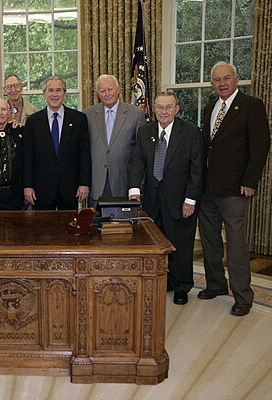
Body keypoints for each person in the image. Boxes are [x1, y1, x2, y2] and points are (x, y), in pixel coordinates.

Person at [198, 61, 270, 317]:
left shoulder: (252, 106)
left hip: (235, 189)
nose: (222, 83)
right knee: (210, 240)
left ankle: (242, 295)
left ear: (236, 78)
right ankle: (216, 284)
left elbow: (260, 147)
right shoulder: (210, 106)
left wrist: (250, 181)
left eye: (226, 78)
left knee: (237, 244)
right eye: (217, 80)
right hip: (207, 188)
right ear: (212, 83)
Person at [128, 92, 203, 305]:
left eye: (168, 107)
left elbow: (197, 169)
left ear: (176, 109)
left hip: (180, 201)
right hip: (152, 200)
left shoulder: (190, 132)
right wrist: (134, 190)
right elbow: (137, 162)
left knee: (180, 244)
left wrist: (191, 200)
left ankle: (181, 286)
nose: (163, 111)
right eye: (160, 107)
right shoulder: (145, 132)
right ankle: (166, 281)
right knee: (156, 244)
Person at [23, 76, 91, 210]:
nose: (55, 94)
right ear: (44, 94)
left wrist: (84, 183)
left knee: (69, 228)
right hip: (41, 190)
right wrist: (28, 186)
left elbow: (84, 154)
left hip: (70, 189)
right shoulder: (32, 121)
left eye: (58, 90)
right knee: (43, 229)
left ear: (64, 93)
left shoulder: (79, 119)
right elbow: (28, 156)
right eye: (51, 90)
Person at [83, 75, 146, 203]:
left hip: (124, 182)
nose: (107, 94)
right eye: (102, 91)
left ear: (118, 90)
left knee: (124, 222)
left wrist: (139, 185)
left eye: (110, 89)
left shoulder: (136, 114)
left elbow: (142, 152)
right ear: (98, 94)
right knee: (96, 222)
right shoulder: (87, 115)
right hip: (96, 184)